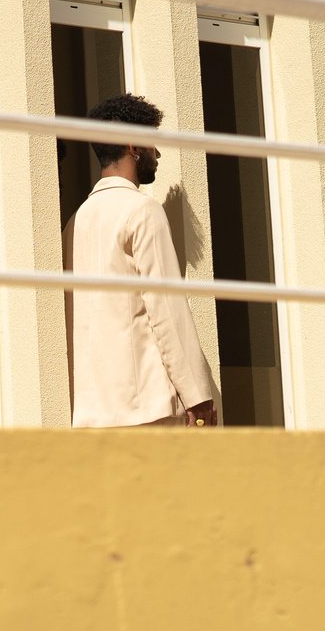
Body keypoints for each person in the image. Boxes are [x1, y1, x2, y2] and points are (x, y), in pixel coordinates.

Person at [63, 94, 219, 428]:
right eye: (152, 143)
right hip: (146, 408)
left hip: (93, 412)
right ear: (134, 145)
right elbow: (166, 308)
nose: (157, 153)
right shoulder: (142, 210)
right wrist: (197, 395)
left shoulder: (75, 222)